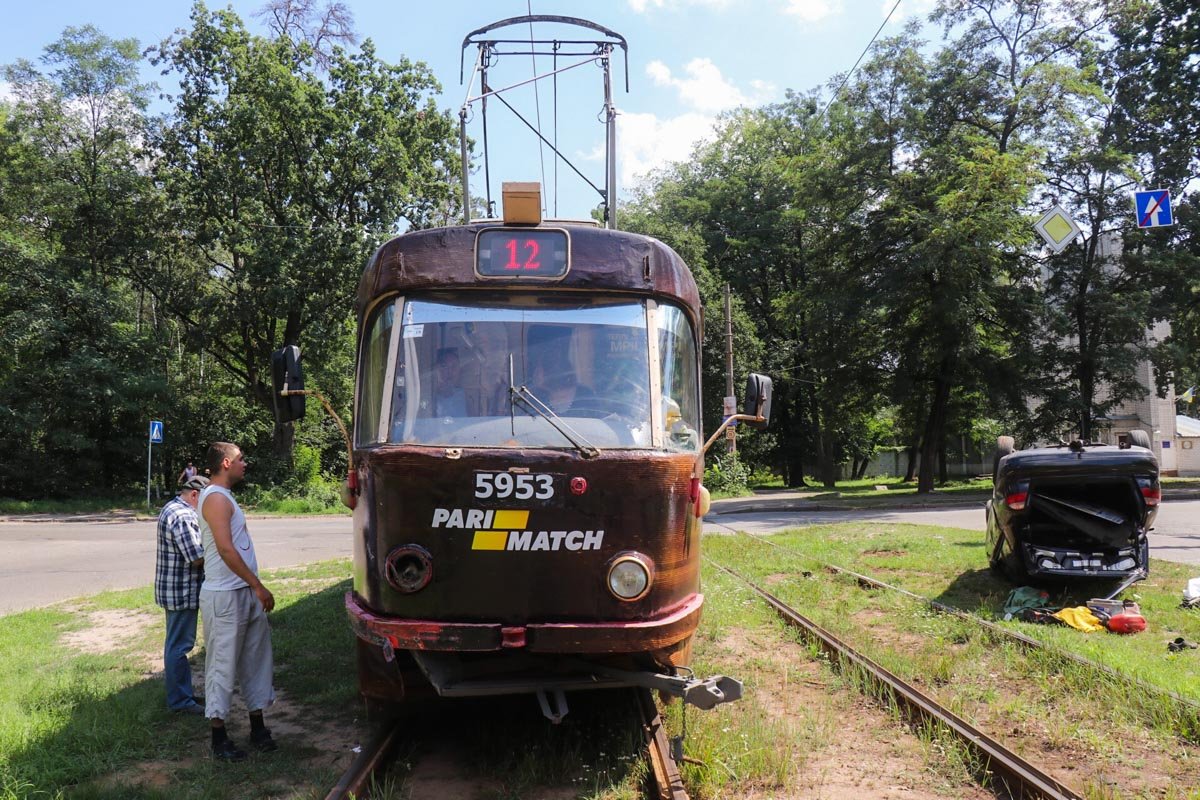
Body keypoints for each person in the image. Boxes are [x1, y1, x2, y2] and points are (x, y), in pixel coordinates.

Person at [198, 442, 277, 761]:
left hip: (242, 592)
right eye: (241, 459)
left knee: (255, 659)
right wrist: (258, 586)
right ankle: (219, 739)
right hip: (225, 596)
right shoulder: (215, 498)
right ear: (226, 463)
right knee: (222, 665)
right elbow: (226, 549)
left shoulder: (224, 496)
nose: (246, 463)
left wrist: (251, 587)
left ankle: (258, 727)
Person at [154, 474, 209, 715]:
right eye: (206, 500)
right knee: (179, 647)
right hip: (182, 591)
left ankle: (183, 695)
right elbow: (196, 557)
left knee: (176, 644)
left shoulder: (172, 508)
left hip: (175, 589)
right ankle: (180, 701)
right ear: (195, 495)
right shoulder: (183, 516)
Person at [433, 347, 468, 417]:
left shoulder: (465, 398)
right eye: (444, 366)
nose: (450, 371)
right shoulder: (429, 396)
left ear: (459, 370)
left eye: (454, 366)